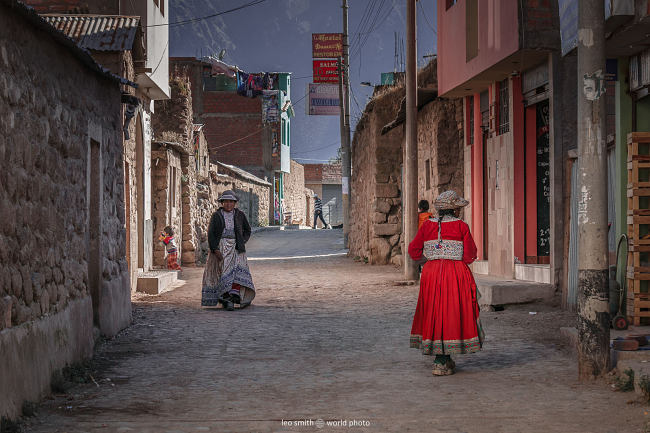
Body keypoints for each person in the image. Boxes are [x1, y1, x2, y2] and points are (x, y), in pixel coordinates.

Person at [408, 190, 484, 376]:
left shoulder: (427, 226)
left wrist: (428, 260)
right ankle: (443, 359)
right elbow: (469, 254)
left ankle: (442, 359)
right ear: (455, 210)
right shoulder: (461, 226)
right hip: (455, 273)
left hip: (431, 273)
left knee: (434, 311)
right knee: (451, 311)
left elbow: (413, 249)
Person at [201, 190, 256, 311]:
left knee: (237, 272)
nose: (228, 204)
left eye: (231, 201)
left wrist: (242, 241)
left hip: (236, 248)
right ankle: (225, 296)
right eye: (226, 201)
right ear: (222, 202)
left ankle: (233, 295)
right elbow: (211, 234)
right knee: (223, 272)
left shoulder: (240, 215)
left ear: (235, 203)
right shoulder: (216, 216)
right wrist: (215, 249)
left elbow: (247, 230)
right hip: (221, 248)